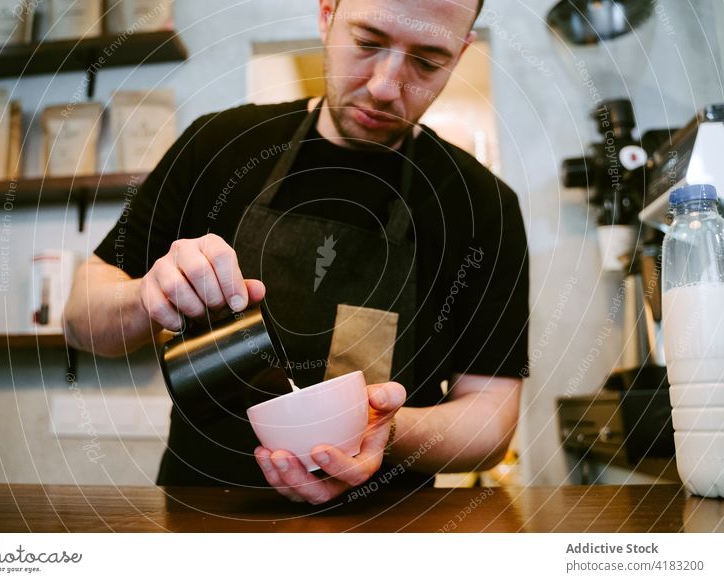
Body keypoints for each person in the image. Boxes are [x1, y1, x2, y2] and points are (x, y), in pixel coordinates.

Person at [64, 0, 529, 505]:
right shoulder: (218, 146)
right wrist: (145, 297)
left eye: (427, 61)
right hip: (202, 516)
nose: (383, 87)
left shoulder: (484, 206)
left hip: (387, 531)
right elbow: (80, 320)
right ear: (327, 15)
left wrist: (381, 433)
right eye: (368, 43)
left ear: (460, 54)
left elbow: (491, 419)